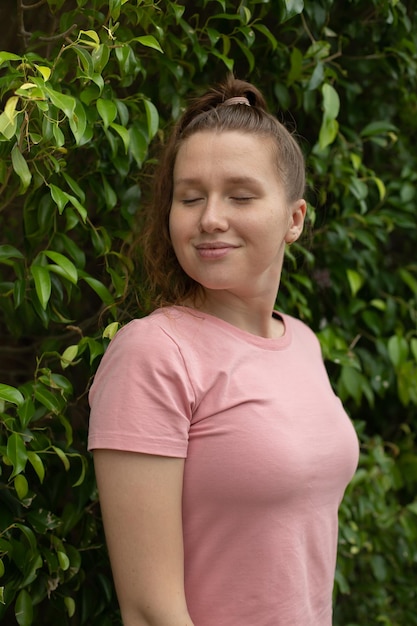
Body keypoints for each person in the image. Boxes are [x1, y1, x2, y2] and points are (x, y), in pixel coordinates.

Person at [88, 75, 359, 626]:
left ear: (294, 219)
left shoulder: (301, 342)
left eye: (239, 195)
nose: (209, 217)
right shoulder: (155, 354)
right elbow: (148, 610)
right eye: (190, 198)